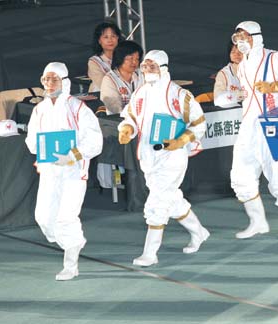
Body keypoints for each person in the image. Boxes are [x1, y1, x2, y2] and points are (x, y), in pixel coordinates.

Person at [118, 50, 209, 267]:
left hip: (172, 157)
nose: (147, 69)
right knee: (171, 200)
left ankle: (150, 252)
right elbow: (130, 116)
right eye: (145, 65)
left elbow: (199, 124)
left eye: (152, 65)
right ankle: (200, 232)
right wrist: (126, 129)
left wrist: (181, 140)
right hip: (149, 156)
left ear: (164, 68)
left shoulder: (179, 95)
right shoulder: (140, 93)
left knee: (157, 203)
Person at [25, 62, 103, 280]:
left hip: (73, 173)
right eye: (45, 79)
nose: (49, 84)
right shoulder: (39, 109)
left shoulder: (78, 108)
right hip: (49, 172)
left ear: (65, 81)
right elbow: (32, 140)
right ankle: (74, 242)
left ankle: (71, 264)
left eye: (54, 79)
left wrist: (73, 155)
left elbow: (96, 142)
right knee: (43, 218)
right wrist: (42, 150)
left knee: (65, 219)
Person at [230, 21, 278, 239]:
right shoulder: (243, 64)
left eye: (245, 36)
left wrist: (275, 86)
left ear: (256, 36)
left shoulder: (276, 58)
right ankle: (258, 222)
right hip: (249, 127)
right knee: (241, 176)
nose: (241, 42)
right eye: (237, 38)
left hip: (276, 126)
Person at [100, 40, 143, 115]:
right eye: (131, 58)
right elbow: (114, 109)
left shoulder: (142, 75)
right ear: (120, 58)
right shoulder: (109, 80)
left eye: (137, 59)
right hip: (118, 121)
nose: (134, 62)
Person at [88, 21, 122, 92]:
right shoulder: (94, 62)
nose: (110, 40)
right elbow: (103, 84)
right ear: (99, 41)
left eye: (113, 36)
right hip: (101, 96)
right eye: (106, 37)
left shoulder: (125, 57)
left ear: (118, 38)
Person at [213, 42, 244, 108]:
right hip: (233, 111)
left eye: (240, 52)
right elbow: (218, 99)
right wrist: (239, 94)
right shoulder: (224, 74)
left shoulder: (255, 70)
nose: (236, 55)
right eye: (233, 52)